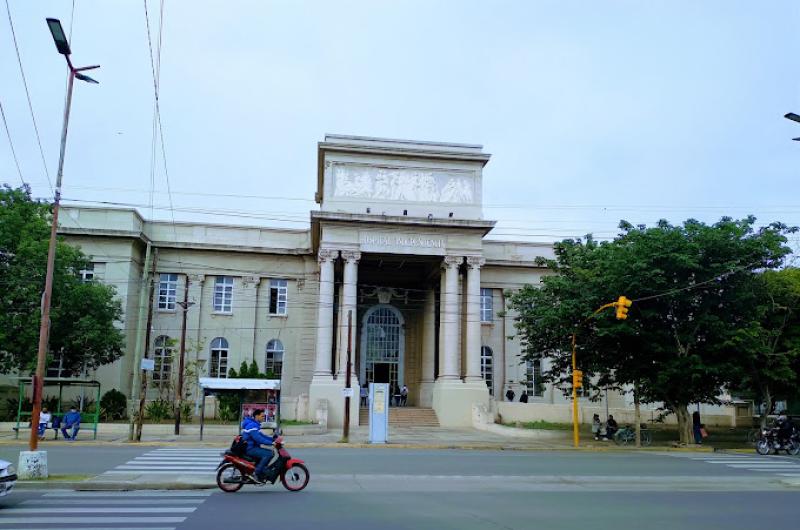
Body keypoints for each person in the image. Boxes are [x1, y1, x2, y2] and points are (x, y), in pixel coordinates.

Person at [241, 408, 275, 481]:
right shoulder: (252, 425)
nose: (264, 418)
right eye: (262, 416)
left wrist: (273, 439)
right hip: (250, 448)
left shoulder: (255, 424)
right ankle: (256, 473)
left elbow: (262, 435)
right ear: (257, 416)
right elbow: (258, 438)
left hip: (253, 447)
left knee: (270, 453)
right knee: (268, 454)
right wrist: (271, 443)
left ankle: (262, 470)